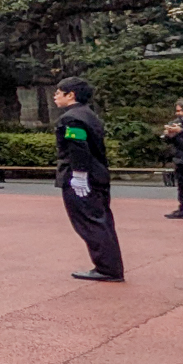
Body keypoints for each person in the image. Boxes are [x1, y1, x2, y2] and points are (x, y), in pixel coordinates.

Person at [55, 77, 123, 281]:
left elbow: (78, 147)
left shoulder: (71, 118)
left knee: (91, 222)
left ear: (71, 95)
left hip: (84, 177)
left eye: (59, 92)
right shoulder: (88, 114)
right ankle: (110, 266)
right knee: (102, 221)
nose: (55, 96)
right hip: (98, 174)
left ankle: (107, 268)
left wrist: (79, 175)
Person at [161, 99, 183, 219]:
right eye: (177, 111)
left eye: (180, 111)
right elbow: (166, 139)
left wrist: (181, 132)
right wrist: (169, 135)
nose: (178, 114)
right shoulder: (175, 122)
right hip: (181, 159)